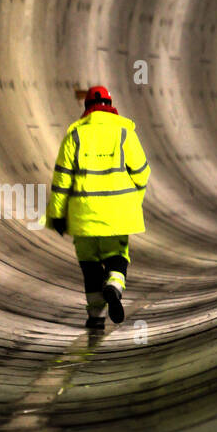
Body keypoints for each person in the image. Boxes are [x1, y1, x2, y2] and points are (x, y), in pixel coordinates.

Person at [46, 86, 151, 331]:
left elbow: (62, 180)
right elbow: (142, 173)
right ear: (111, 103)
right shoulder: (125, 132)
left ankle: (95, 317)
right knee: (117, 257)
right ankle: (114, 287)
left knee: (90, 266)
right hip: (116, 215)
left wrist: (58, 214)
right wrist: (132, 198)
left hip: (83, 216)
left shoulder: (75, 135)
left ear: (87, 108)